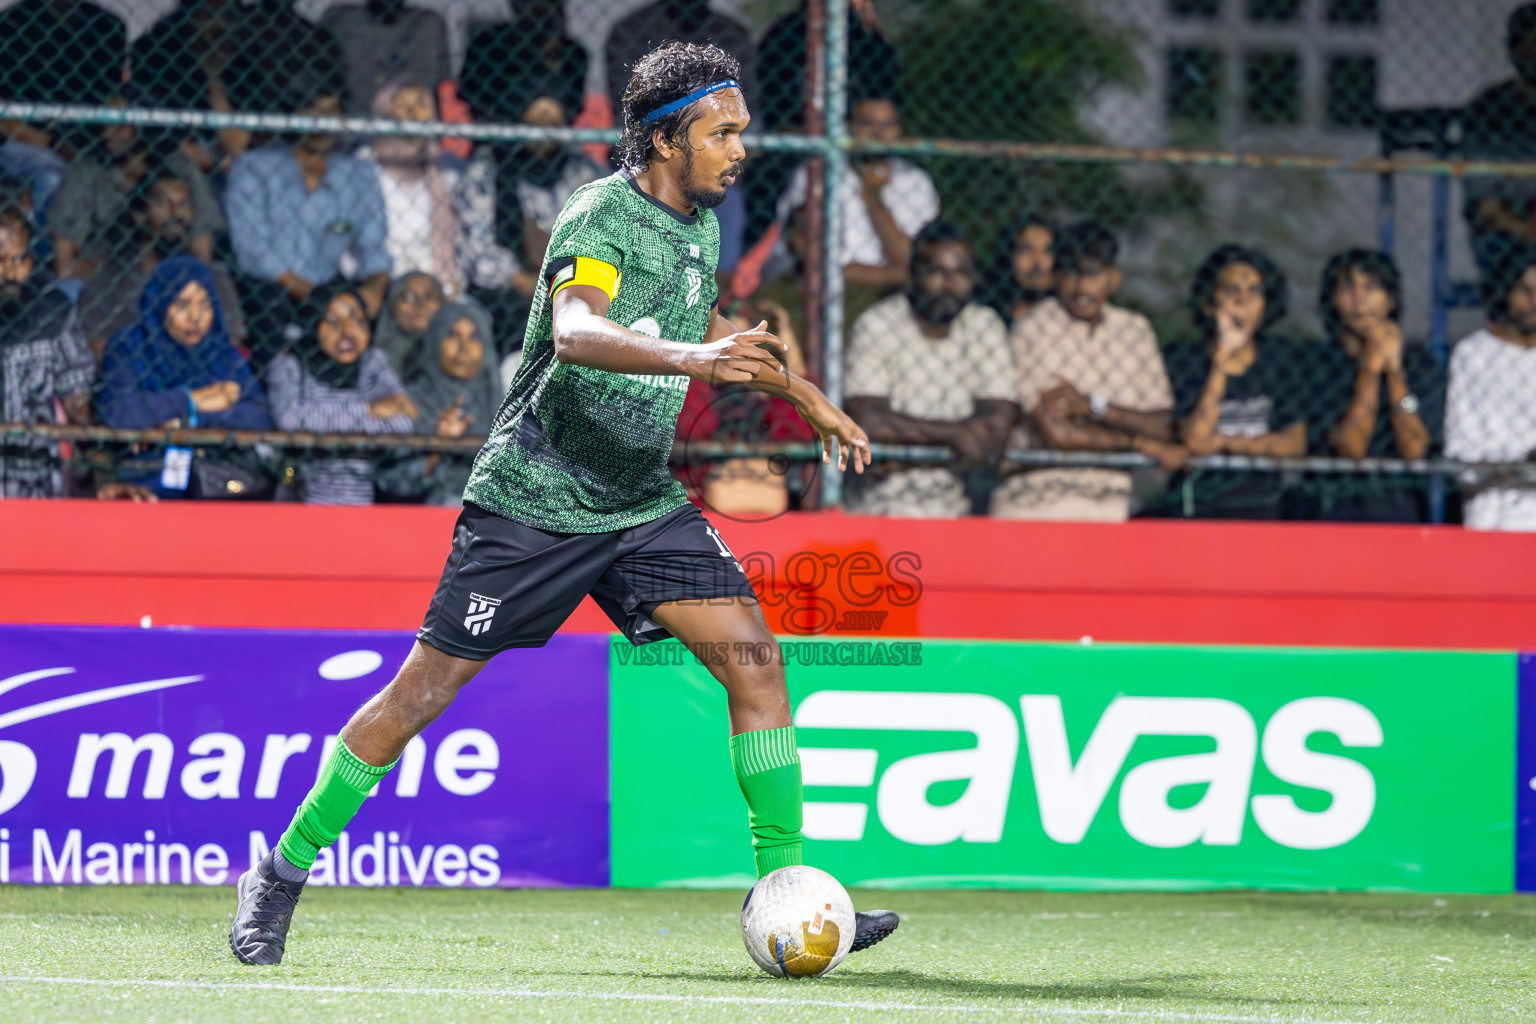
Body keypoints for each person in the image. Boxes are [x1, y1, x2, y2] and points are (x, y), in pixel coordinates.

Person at [229, 40, 890, 967]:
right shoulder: (601, 216)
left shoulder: (698, 223)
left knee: (756, 664)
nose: (742, 147)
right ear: (666, 138)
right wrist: (701, 363)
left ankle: (790, 892)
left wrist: (806, 394)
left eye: (742, 130)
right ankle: (282, 872)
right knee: (423, 693)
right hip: (534, 500)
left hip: (638, 499)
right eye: (722, 131)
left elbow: (705, 320)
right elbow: (580, 330)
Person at [989, 220, 1181, 521]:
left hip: (1111, 499)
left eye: (1092, 274)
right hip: (1037, 497)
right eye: (1071, 274)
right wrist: (1137, 442)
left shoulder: (1134, 330)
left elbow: (1162, 425)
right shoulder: (1033, 329)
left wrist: (1094, 406)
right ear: (1056, 276)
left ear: (1113, 278)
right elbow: (1058, 434)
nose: (1081, 288)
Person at [843, 220, 1019, 517]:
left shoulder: (984, 325)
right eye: (936, 271)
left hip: (958, 505)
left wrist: (908, 447)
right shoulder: (878, 324)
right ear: (913, 274)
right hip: (881, 504)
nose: (948, 284)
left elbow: (999, 422)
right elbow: (867, 421)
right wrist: (955, 437)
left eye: (960, 273)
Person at [226, 68, 391, 371]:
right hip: (272, 288)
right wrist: (318, 298)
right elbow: (253, 253)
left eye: (332, 112)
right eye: (312, 111)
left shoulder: (359, 175)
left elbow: (374, 246)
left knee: (390, 304)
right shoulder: (254, 168)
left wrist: (374, 290)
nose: (323, 123)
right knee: (269, 306)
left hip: (329, 287)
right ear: (292, 115)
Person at [96, 256, 271, 497]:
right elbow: (119, 413)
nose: (195, 317)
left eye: (204, 304)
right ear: (159, 304)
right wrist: (192, 398)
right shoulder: (129, 347)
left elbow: (258, 416)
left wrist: (185, 422)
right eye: (182, 305)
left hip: (219, 479)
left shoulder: (221, 352)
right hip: (145, 474)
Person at [1159, 245, 1310, 519]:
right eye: (1231, 292)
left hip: (1262, 503)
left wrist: (1227, 443)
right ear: (1209, 301)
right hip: (1198, 504)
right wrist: (1221, 361)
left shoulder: (1281, 359)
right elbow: (1196, 439)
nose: (1243, 301)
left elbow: (1293, 445)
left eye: (1254, 292)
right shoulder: (1184, 359)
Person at [1308, 250, 1443, 522]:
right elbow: (1352, 448)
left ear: (1391, 300)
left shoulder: (1418, 363)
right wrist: (1369, 369)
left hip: (1402, 506)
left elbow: (1415, 448)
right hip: (1334, 505)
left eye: (1371, 287)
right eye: (1347, 288)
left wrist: (1394, 373)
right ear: (1332, 301)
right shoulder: (1317, 364)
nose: (1359, 299)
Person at [265, 283, 416, 506]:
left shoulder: (372, 361)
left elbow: (405, 420)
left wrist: (320, 422)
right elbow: (289, 418)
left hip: (363, 501)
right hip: (302, 499)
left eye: (357, 320)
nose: (347, 331)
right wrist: (370, 411)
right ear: (313, 324)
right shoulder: (289, 363)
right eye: (333, 321)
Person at [776, 94, 940, 293]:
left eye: (887, 125)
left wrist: (872, 196)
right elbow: (808, 255)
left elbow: (914, 260)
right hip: (826, 291)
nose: (877, 134)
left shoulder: (915, 181)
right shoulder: (816, 174)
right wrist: (902, 274)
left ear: (899, 129)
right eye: (867, 123)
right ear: (850, 127)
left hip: (897, 294)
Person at [76, 168, 246, 359]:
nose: (176, 213)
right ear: (138, 216)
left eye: (183, 204)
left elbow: (230, 344)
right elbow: (99, 348)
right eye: (162, 203)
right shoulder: (108, 278)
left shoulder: (213, 276)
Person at [47, 103, 223, 283]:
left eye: (120, 125)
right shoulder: (85, 172)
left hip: (177, 275)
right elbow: (65, 268)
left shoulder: (180, 168)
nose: (108, 133)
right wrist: (128, 276)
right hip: (106, 280)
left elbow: (202, 255)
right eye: (105, 123)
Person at [0, 204, 94, 497]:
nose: (10, 272)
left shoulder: (52, 310)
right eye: (0, 261)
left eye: (19, 259)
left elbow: (76, 392)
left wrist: (90, 446)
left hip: (37, 472)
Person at [1445, 251, 1536, 530]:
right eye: (1525, 291)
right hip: (1491, 516)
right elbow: (1462, 451)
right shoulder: (1473, 354)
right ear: (1506, 292)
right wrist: (1518, 464)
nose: (1534, 302)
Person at [353, 79, 469, 297]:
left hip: (434, 280)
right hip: (379, 279)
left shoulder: (445, 170)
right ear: (385, 111)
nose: (413, 112)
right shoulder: (364, 165)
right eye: (402, 105)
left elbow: (455, 236)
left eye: (420, 104)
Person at [382, 298, 501, 506]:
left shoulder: (502, 402)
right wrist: (436, 447)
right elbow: (389, 483)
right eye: (453, 335)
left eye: (474, 338)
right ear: (436, 342)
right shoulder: (410, 401)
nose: (464, 348)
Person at [1462, 3, 1536, 279]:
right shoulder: (1490, 109)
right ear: (1513, 49)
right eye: (1529, 43)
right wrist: (1529, 233)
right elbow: (1488, 209)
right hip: (1509, 238)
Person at [320, 0, 451, 117]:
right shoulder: (340, 20)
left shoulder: (429, 24)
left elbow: (446, 89)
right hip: (351, 126)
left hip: (413, 127)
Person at [981, 213, 1057, 328]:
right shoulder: (985, 316)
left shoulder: (1067, 317)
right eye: (1026, 250)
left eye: (1047, 251)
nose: (1037, 262)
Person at [374, 271, 446, 380]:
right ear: (392, 304)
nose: (421, 304)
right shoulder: (379, 362)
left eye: (429, 296)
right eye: (408, 297)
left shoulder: (461, 350)